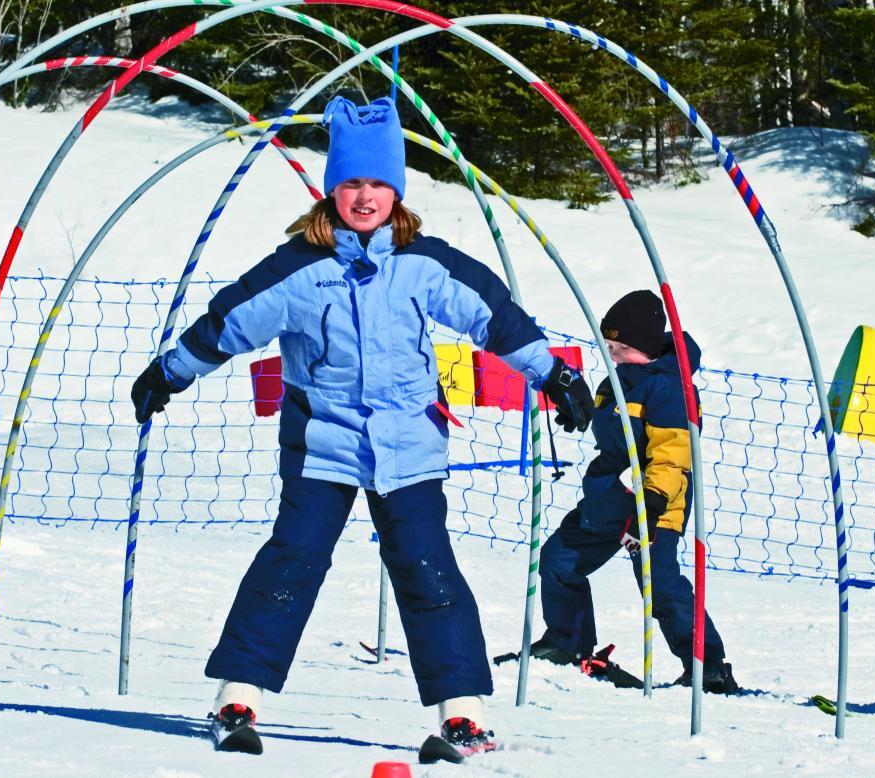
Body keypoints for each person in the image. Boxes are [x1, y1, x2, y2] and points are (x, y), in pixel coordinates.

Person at [130, 95, 595, 759]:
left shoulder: (422, 263)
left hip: (408, 447)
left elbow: (494, 316)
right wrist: (168, 372)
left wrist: (555, 376)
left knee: (427, 567)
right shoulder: (298, 269)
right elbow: (229, 324)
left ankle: (461, 713)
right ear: (332, 191)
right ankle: (238, 696)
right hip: (321, 445)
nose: (365, 196)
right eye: (351, 183)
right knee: (293, 560)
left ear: (397, 192)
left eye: (378, 183)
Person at [530, 290, 738, 694]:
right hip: (610, 497)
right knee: (558, 561)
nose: (613, 355)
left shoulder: (670, 389)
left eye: (621, 348)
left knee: (660, 584)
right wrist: (584, 413)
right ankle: (566, 641)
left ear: (645, 346)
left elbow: (673, 454)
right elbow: (614, 435)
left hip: (653, 503)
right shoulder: (617, 380)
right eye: (607, 347)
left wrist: (655, 501)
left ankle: (707, 666)